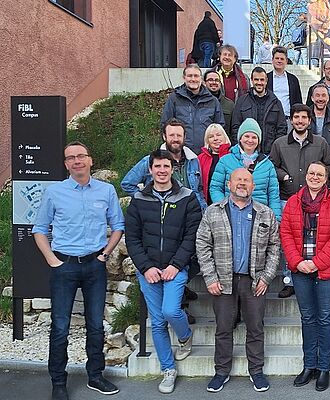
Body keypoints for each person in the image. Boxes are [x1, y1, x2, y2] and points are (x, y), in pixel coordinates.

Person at [32, 142, 125, 400]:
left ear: (90, 160)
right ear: (66, 164)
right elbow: (40, 229)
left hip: (95, 265)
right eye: (71, 158)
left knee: (96, 325)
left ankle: (95, 376)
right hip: (64, 265)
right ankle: (58, 382)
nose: (77, 161)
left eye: (81, 156)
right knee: (60, 326)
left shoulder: (106, 191)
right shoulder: (54, 192)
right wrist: (52, 260)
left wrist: (105, 254)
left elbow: (118, 225)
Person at [125, 149, 201, 394]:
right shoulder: (139, 199)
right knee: (157, 321)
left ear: (173, 168)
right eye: (157, 166)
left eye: (166, 166)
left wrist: (175, 265)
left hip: (175, 267)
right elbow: (133, 238)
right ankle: (168, 369)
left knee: (170, 310)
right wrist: (146, 268)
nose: (161, 170)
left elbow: (192, 236)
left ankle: (185, 336)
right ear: (150, 169)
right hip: (147, 270)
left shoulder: (187, 198)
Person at [197, 168, 280, 393]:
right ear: (229, 184)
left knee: (255, 327)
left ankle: (256, 370)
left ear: (253, 187)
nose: (242, 183)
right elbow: (202, 245)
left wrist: (267, 277)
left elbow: (274, 247)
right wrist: (210, 277)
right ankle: (221, 371)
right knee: (223, 328)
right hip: (223, 281)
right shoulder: (213, 212)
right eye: (238, 180)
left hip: (254, 281)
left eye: (246, 180)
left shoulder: (265, 213)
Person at [279, 162, 330, 391]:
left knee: (325, 318)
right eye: (311, 173)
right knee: (307, 317)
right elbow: (286, 233)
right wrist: (298, 262)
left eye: (319, 174)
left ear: (326, 178)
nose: (315, 177)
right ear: (305, 176)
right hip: (301, 271)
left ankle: (324, 368)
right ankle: (309, 365)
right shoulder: (293, 202)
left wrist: (316, 263)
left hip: (327, 271)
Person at [270, 104, 330, 298]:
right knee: (289, 240)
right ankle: (289, 280)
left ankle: (314, 271)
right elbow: (272, 165)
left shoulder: (320, 142)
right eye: (296, 117)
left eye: (304, 117)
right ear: (291, 120)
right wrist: (284, 176)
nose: (300, 121)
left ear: (310, 121)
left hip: (316, 199)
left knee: (312, 238)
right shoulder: (280, 143)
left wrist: (320, 180)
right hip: (289, 198)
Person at [121, 118, 208, 210]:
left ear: (184, 137)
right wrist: (147, 200)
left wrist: (203, 209)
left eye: (179, 135)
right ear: (164, 136)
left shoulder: (193, 160)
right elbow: (127, 184)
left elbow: (199, 189)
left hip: (191, 212)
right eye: (171, 135)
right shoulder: (150, 160)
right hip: (164, 213)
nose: (175, 139)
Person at [210, 117, 282, 219]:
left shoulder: (267, 165)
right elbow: (215, 187)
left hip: (259, 215)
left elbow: (273, 195)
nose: (250, 140)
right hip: (230, 214)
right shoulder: (225, 161)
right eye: (246, 136)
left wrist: (276, 219)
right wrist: (223, 209)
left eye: (254, 137)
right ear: (240, 138)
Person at [160, 64, 225, 154]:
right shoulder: (174, 98)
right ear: (184, 78)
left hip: (206, 153)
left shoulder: (212, 101)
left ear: (201, 79)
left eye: (196, 76)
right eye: (190, 76)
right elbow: (165, 125)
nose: (193, 79)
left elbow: (219, 127)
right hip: (181, 152)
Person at [231, 66, 287, 154]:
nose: (259, 83)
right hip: (246, 152)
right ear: (252, 81)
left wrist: (275, 149)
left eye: (262, 80)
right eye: (256, 80)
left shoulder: (275, 102)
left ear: (266, 81)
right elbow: (235, 127)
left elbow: (282, 128)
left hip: (269, 152)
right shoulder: (242, 101)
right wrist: (240, 149)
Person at [198, 123, 231, 205]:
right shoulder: (200, 158)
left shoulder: (232, 155)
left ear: (225, 137)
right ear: (207, 140)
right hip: (207, 203)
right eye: (211, 136)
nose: (215, 139)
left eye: (218, 135)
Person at [267, 46, 303, 121]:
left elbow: (298, 102)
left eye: (282, 59)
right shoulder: (266, 78)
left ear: (286, 61)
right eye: (277, 58)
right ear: (272, 60)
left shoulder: (293, 79)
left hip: (288, 119)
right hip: (270, 119)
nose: (279, 61)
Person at [308, 83, 330, 157]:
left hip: (329, 165)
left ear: (328, 98)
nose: (320, 99)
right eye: (317, 95)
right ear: (312, 98)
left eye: (323, 95)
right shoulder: (304, 121)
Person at [203, 70, 235, 143]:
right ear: (204, 83)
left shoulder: (229, 104)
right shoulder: (198, 102)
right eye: (210, 80)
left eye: (217, 80)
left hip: (224, 147)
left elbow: (233, 129)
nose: (214, 82)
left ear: (220, 83)